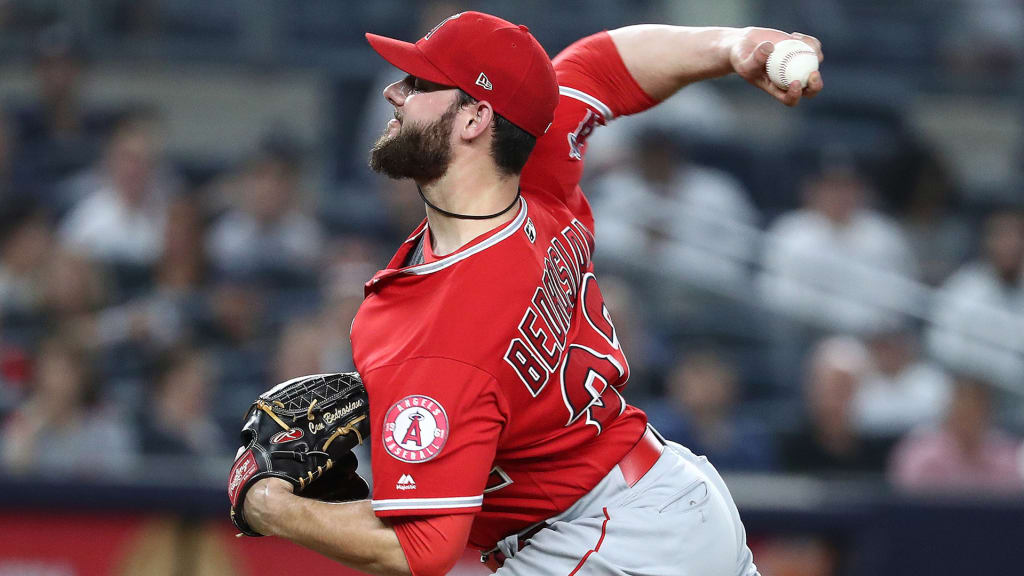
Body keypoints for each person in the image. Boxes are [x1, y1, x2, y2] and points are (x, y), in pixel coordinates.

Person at [240, 12, 823, 576]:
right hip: (663, 499)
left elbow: (419, 549)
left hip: (601, 539)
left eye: (420, 83)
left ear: (474, 119)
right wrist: (732, 45)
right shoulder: (534, 165)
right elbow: (602, 65)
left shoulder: (432, 328)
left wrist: (269, 505)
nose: (394, 92)